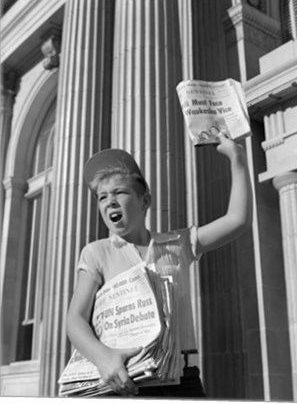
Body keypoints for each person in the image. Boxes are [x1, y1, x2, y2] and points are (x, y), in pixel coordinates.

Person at [66, 133, 253, 397]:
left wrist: (238, 158)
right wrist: (102, 357)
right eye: (102, 197)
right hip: (124, 377)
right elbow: (75, 319)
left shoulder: (178, 243)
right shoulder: (97, 252)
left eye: (119, 192)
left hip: (182, 379)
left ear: (145, 201)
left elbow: (238, 220)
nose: (110, 201)